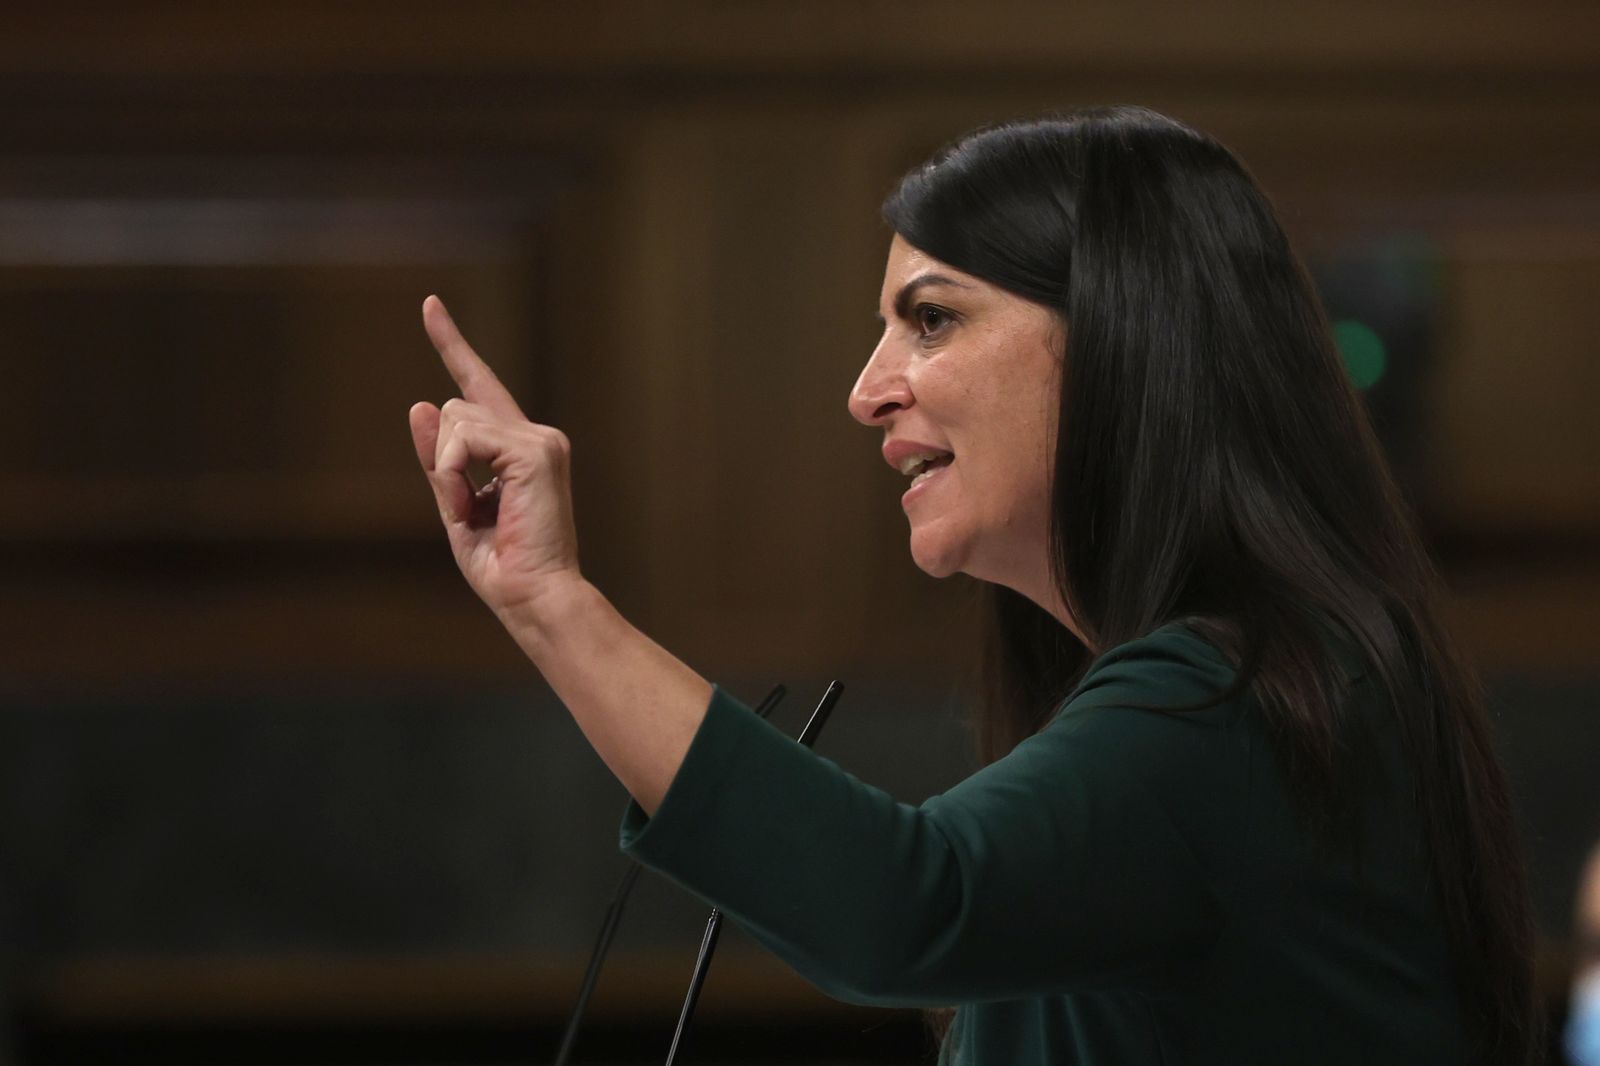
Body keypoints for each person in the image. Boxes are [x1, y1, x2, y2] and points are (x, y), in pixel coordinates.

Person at [406, 105, 1545, 1064]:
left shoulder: (1239, 694)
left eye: (932, 320)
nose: (866, 390)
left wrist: (554, 599)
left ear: (1119, 340)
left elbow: (904, 903)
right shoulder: (1246, 681)